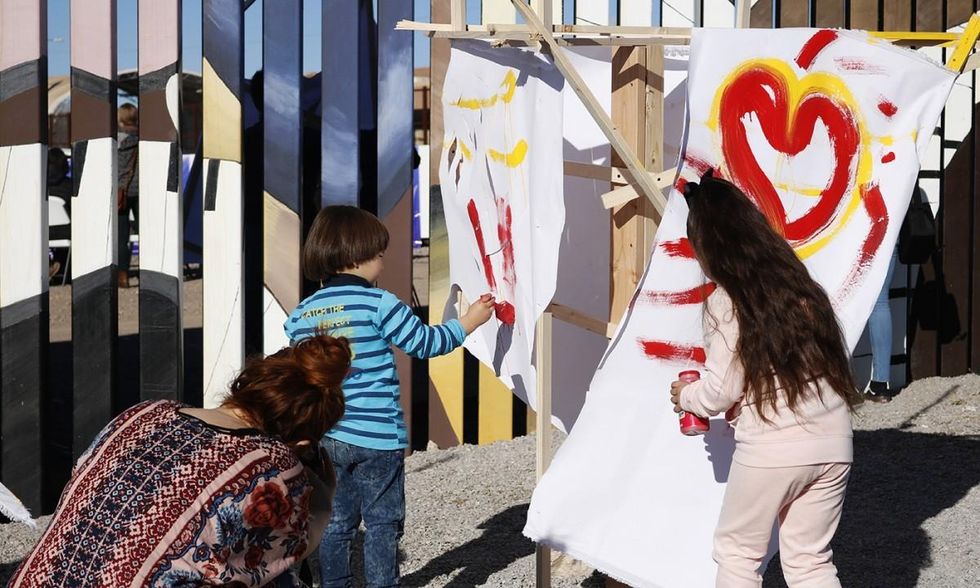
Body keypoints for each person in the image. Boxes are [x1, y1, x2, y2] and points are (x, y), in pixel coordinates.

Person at [9, 335, 351, 587]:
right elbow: (299, 546)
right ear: (303, 441)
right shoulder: (273, 465)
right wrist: (321, 485)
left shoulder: (143, 413)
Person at [285, 205, 495, 588]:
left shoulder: (301, 314)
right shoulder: (380, 304)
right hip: (379, 436)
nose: (382, 263)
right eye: (378, 255)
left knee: (336, 522)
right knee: (383, 522)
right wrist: (469, 321)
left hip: (328, 436)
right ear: (355, 257)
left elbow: (300, 377)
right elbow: (426, 343)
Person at [669, 173, 859, 587]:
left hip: (774, 444)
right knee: (811, 561)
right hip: (834, 439)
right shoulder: (801, 287)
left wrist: (686, 396)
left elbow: (721, 392)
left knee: (738, 554)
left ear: (710, 247)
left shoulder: (728, 299)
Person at [864, 249, 898, 402]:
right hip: (887, 232)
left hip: (853, 231)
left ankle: (838, 383)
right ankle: (880, 385)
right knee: (881, 301)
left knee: (842, 298)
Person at [117, 102, 139, 288]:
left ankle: (123, 275)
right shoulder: (144, 137)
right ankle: (151, 272)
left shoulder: (115, 140)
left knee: (121, 236)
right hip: (140, 191)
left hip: (120, 192)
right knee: (146, 234)